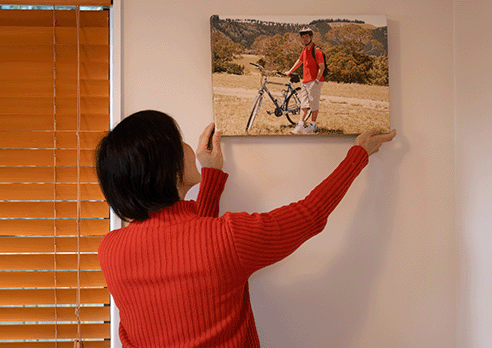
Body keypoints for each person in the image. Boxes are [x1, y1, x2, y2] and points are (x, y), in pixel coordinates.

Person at [95, 110, 396, 347]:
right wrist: (359, 154)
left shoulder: (110, 250)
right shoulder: (226, 239)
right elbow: (310, 214)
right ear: (168, 167)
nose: (188, 146)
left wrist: (211, 175)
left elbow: (193, 255)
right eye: (180, 140)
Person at [285, 26, 325, 134]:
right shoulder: (304, 50)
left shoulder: (316, 50)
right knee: (304, 105)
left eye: (307, 37)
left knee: (314, 103)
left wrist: (317, 80)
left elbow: (322, 67)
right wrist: (289, 71)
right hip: (306, 81)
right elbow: (299, 62)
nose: (305, 39)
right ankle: (301, 125)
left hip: (314, 81)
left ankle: (313, 125)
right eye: (303, 37)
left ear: (311, 37)